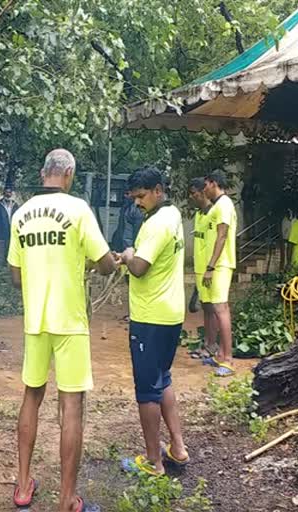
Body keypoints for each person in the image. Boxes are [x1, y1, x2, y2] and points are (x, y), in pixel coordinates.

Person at [8, 149, 116, 512]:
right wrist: (91, 262)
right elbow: (104, 264)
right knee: (72, 406)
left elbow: (15, 275)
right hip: (69, 320)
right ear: (68, 174)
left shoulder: (21, 214)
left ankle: (23, 486)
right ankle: (67, 500)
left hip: (35, 321)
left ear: (43, 174)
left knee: (31, 396)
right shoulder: (79, 210)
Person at [118, 166, 189, 476]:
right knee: (163, 378)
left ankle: (153, 461)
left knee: (147, 390)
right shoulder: (172, 214)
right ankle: (178, 447)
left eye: (142, 196)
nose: (137, 203)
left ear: (158, 190)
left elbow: (140, 267)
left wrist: (130, 254)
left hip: (151, 317)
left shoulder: (158, 224)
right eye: (134, 198)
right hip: (171, 313)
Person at [201, 169, 237, 378]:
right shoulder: (218, 206)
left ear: (213, 183)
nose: (204, 189)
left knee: (221, 308)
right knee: (216, 308)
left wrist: (211, 266)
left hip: (221, 264)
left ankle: (229, 360)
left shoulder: (223, 205)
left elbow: (221, 237)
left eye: (205, 185)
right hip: (217, 264)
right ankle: (221, 354)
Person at [188, 178, 217, 360]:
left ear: (203, 191)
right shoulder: (199, 215)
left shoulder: (215, 214)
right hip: (199, 268)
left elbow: (216, 243)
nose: (192, 197)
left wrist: (211, 268)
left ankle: (212, 345)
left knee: (212, 307)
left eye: (194, 193)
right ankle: (207, 343)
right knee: (205, 307)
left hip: (209, 269)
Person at [0, 185, 19, 267]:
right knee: (0, 254)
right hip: (1, 233)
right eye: (6, 192)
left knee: (11, 253)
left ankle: (9, 270)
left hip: (13, 233)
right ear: (4, 193)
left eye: (9, 192)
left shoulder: (15, 205)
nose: (8, 194)